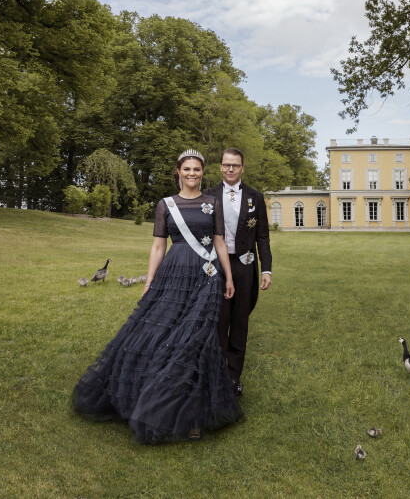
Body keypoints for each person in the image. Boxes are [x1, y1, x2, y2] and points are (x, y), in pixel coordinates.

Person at [72, 149, 242, 443]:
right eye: (187, 169)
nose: (192, 174)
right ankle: (151, 398)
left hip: (206, 277)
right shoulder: (166, 205)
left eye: (197, 170)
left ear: (203, 173)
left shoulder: (213, 203)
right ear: (178, 172)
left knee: (197, 338)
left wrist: (228, 276)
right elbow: (157, 247)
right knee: (159, 333)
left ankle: (192, 414)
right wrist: (150, 281)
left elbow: (219, 243)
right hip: (173, 275)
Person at [206, 148, 272, 397]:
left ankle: (234, 377)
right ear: (221, 167)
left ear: (242, 167)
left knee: (240, 322)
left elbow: (263, 236)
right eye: (226, 165)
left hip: (245, 266)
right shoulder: (208, 194)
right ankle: (218, 371)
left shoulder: (255, 196)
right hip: (217, 266)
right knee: (219, 320)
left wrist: (266, 268)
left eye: (235, 165)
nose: (230, 169)